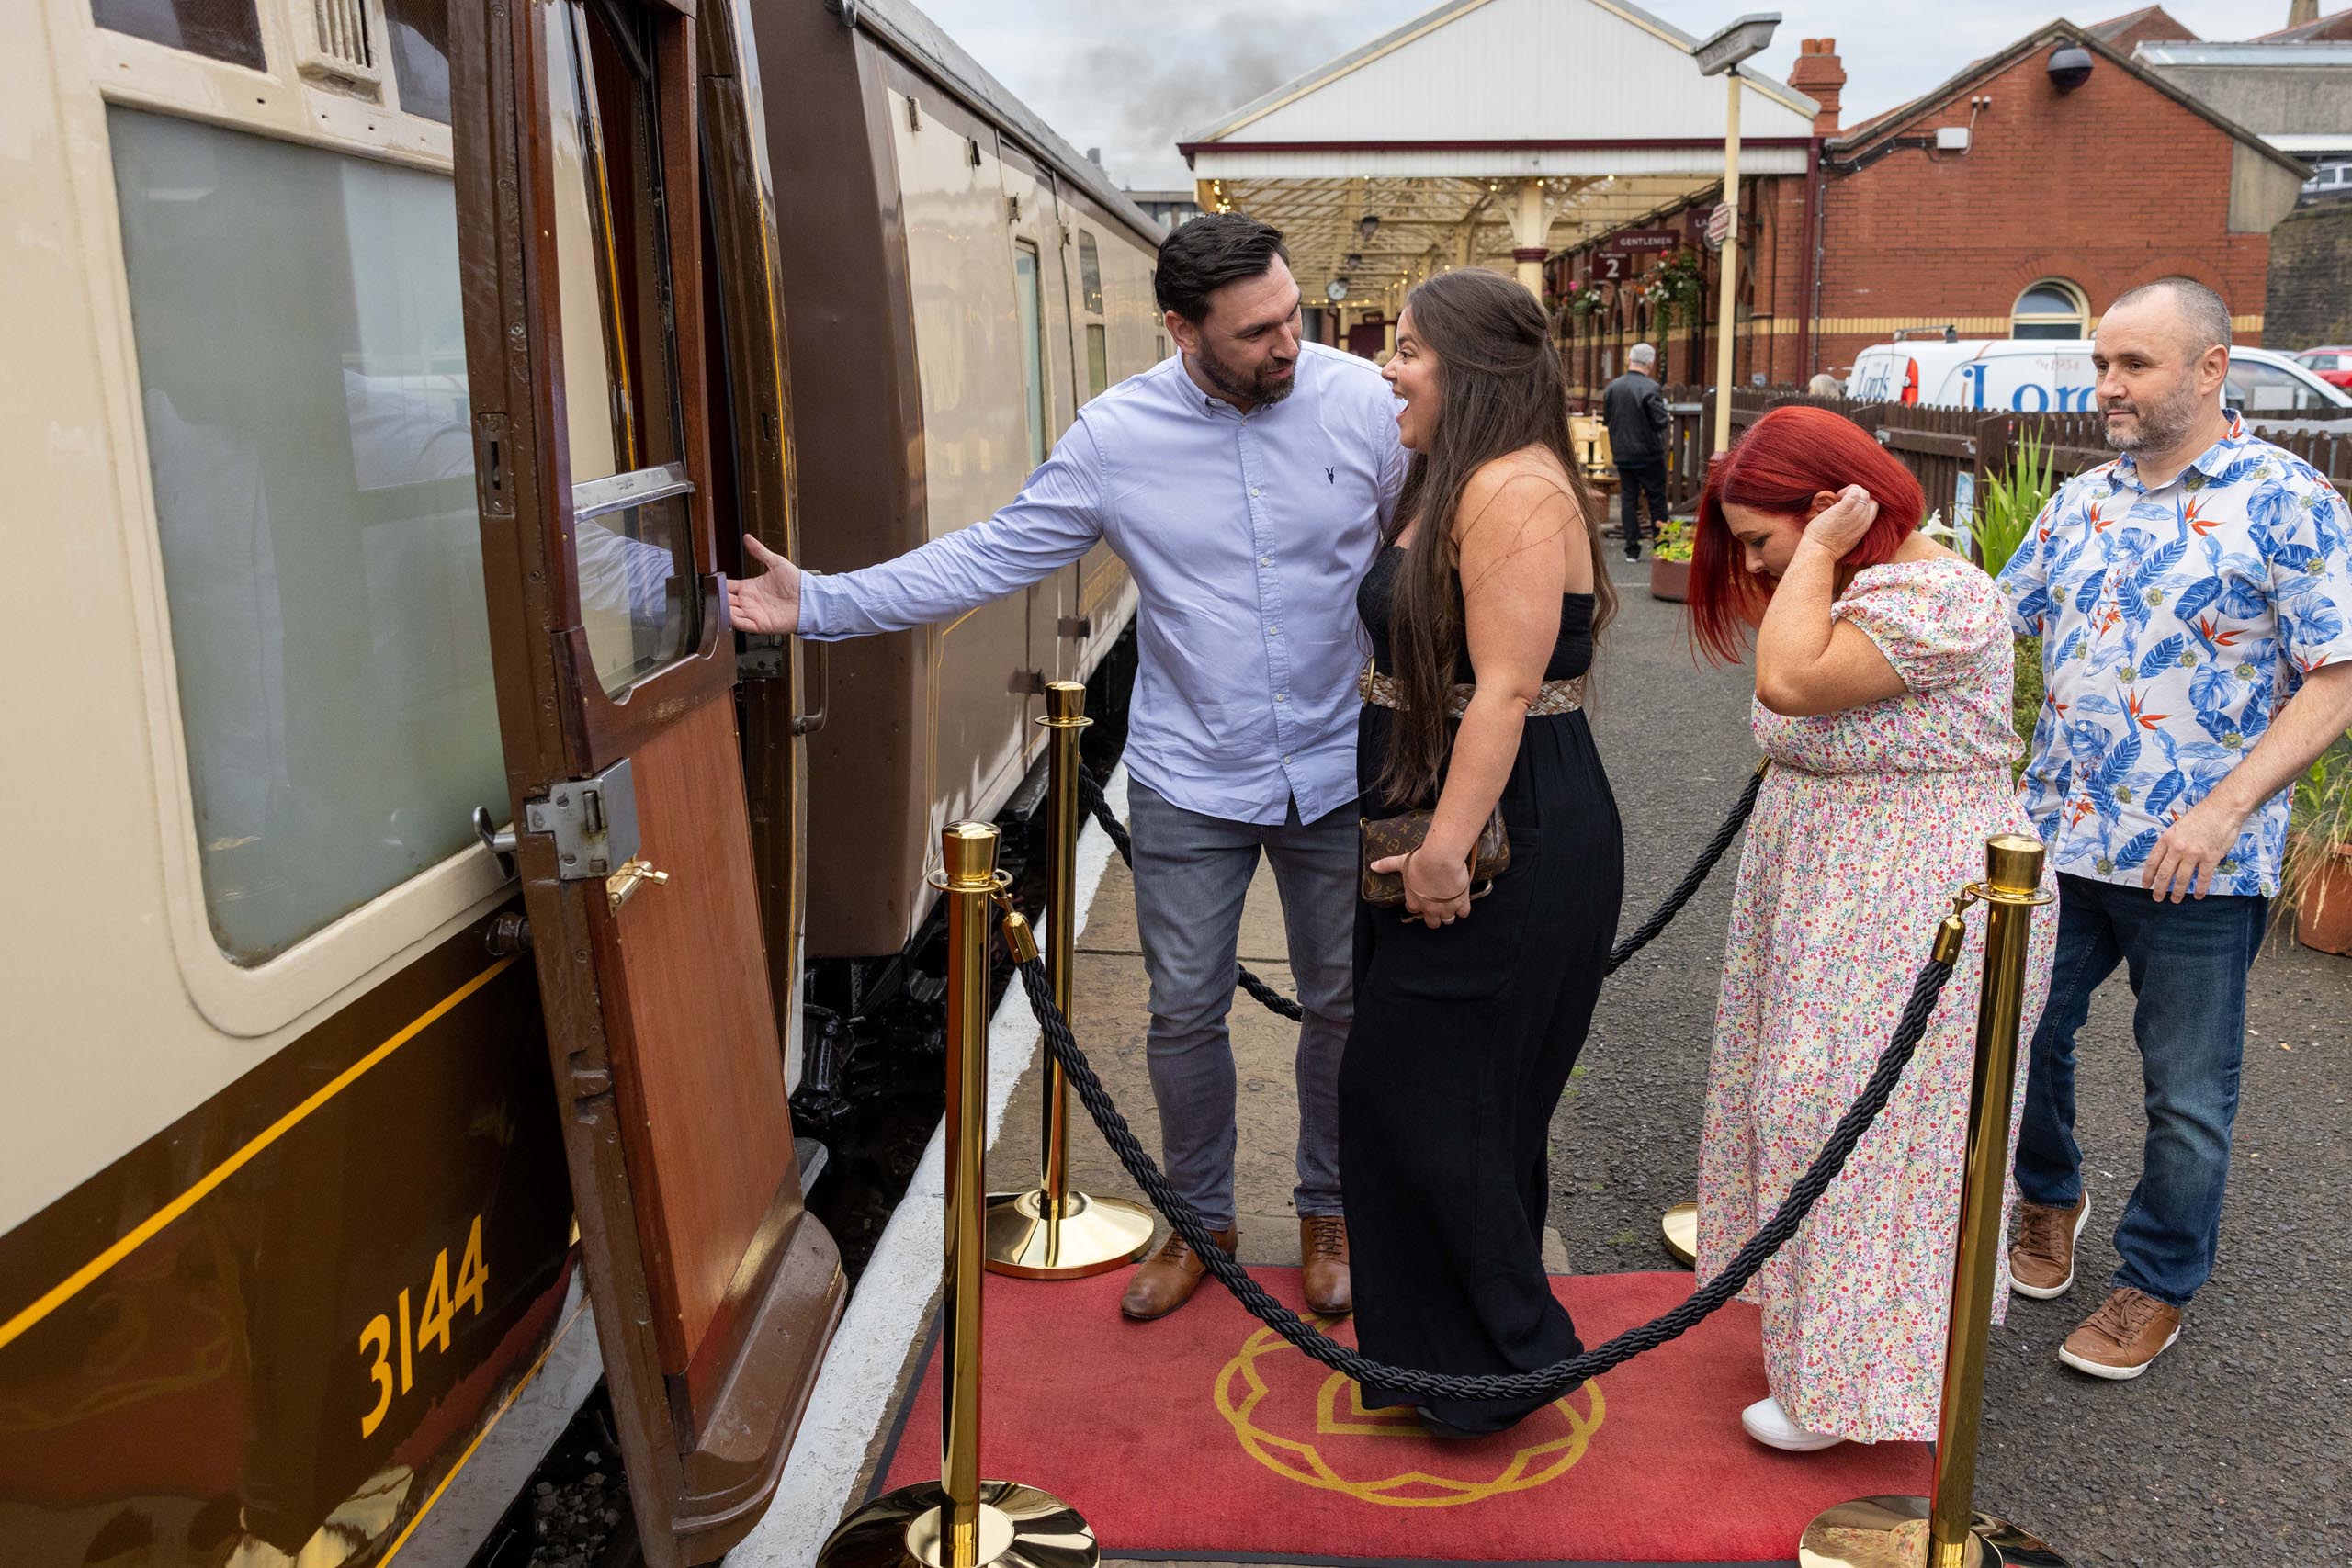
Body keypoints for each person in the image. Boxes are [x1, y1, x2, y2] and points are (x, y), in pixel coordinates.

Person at [727, 215, 1405, 1322]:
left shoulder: (1361, 402)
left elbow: (1435, 544)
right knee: (1182, 1014)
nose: (1288, 346)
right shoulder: (1115, 436)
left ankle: (1329, 1216)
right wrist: (822, 603)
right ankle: (1202, 1225)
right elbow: (991, 554)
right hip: (1194, 776)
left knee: (1341, 1005)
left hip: (1340, 765)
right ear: (1181, 330)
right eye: (1256, 333)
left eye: (1291, 319)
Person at [1996, 276, 2352, 1379]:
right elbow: (1990, 626)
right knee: (2017, 1040)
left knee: (2187, 1093)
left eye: (2133, 365)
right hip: (2058, 837)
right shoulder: (2078, 501)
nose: (2107, 385)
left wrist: (2222, 808)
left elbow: (2336, 677)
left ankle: (2156, 1280)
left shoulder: (2285, 499)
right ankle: (2049, 1196)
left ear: (2210, 369)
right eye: (2101, 363)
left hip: (2202, 855)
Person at [1687, 405, 2057, 1452]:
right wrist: (1814, 556)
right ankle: (1824, 1354)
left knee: (1866, 1125)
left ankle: (1851, 1390)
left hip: (1911, 888)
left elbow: (1791, 682)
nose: (1755, 570)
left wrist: (1813, 551)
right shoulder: (1865, 584)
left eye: (1762, 541)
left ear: (1824, 512)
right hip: (1838, 880)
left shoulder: (1938, 593)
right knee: (1805, 1102)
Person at [1339, 268, 1624, 1439]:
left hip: (1503, 832)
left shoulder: (1507, 488)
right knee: (1452, 1099)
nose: (1389, 369)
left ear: (1471, 365)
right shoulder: (1449, 476)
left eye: (1407, 349)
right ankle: (1446, 1363)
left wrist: (1447, 851)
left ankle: (1503, 1359)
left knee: (1420, 1095)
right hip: (1445, 810)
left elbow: (1504, 688)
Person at [1601, 343, 1671, 561]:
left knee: (1628, 501)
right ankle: (1661, 546)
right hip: (1649, 455)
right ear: (1650, 364)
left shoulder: (1613, 388)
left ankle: (1632, 550)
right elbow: (1660, 421)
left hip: (1622, 454)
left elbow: (1607, 419)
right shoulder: (1651, 388)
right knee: (1656, 500)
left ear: (1629, 360)